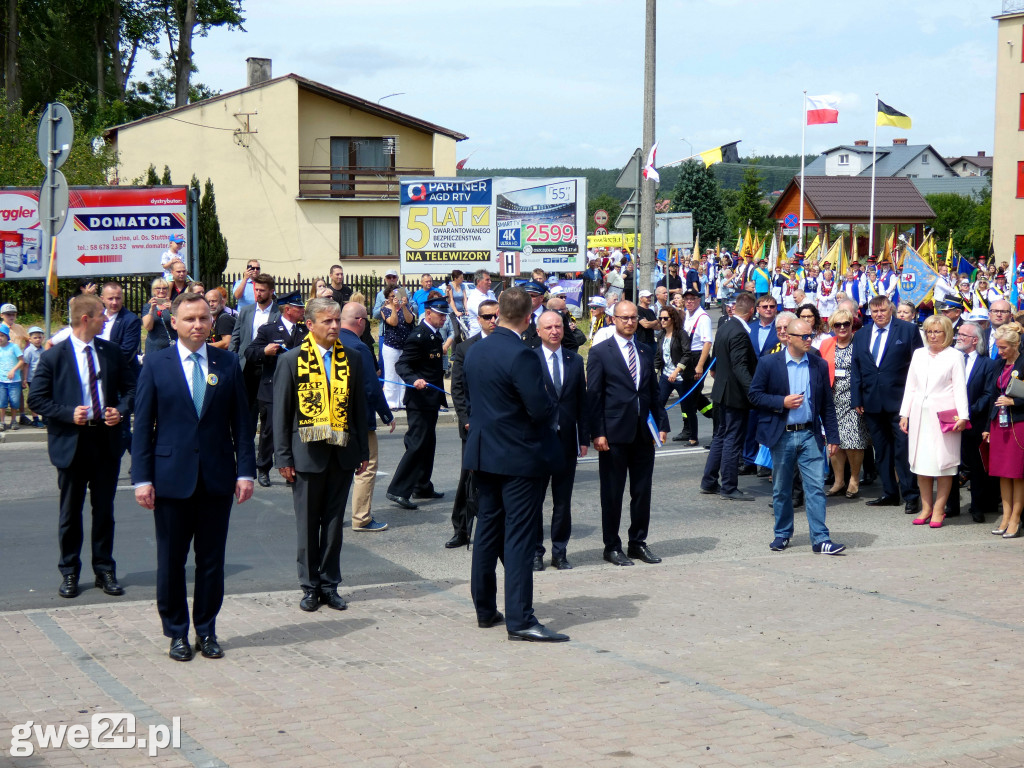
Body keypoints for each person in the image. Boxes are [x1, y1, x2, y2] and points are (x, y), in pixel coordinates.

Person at [131, 292, 255, 661]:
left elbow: (242, 425)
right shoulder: (156, 364)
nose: (198, 325)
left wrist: (245, 471)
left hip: (217, 478)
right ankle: (176, 633)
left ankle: (207, 629)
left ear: (211, 321)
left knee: (211, 560)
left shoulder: (228, 363)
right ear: (175, 322)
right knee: (171, 560)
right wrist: (142, 479)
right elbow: (143, 429)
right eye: (190, 319)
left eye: (203, 318)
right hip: (170, 479)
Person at [463, 286, 565, 642]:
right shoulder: (521, 354)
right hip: (518, 456)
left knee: (487, 533)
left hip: (484, 453)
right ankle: (521, 619)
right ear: (528, 318)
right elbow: (539, 407)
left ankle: (485, 608)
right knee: (519, 539)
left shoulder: (477, 349)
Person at [28, 294, 135, 599]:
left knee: (104, 511)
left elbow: (131, 388)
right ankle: (70, 572)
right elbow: (37, 399)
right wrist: (66, 412)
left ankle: (104, 570)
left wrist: (121, 409)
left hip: (105, 438)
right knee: (70, 513)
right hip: (72, 442)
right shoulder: (54, 356)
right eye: (102, 314)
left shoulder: (111, 351)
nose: (107, 318)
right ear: (86, 318)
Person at [274, 297, 369, 612]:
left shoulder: (351, 358)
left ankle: (330, 585)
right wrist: (283, 458)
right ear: (310, 325)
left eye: (337, 320)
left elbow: (358, 408)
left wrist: (362, 452)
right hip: (306, 455)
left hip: (341, 453)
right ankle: (310, 587)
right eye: (327, 321)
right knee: (307, 524)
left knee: (332, 526)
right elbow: (282, 413)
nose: (334, 326)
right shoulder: (291, 360)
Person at [748, 318, 845, 554]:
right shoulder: (769, 363)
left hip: (810, 435)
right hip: (782, 435)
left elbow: (827, 406)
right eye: (804, 337)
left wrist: (833, 437)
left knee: (815, 488)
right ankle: (782, 533)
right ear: (789, 338)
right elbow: (754, 395)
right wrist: (782, 402)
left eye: (810, 335)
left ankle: (820, 538)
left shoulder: (818, 364)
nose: (809, 340)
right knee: (782, 489)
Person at [587, 300, 669, 566]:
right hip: (613, 434)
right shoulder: (601, 352)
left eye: (634, 317)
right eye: (624, 318)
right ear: (613, 319)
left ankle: (638, 543)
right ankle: (612, 545)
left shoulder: (645, 350)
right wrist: (597, 432)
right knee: (612, 493)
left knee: (642, 491)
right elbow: (594, 396)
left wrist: (662, 423)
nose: (630, 322)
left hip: (643, 433)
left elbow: (653, 392)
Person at [851, 295, 924, 513]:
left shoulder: (907, 330)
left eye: (882, 310)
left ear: (890, 310)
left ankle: (911, 495)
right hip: (871, 402)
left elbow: (918, 366)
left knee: (902, 450)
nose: (879, 314)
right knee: (881, 451)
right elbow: (857, 369)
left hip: (901, 402)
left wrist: (915, 399)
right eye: (874, 311)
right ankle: (889, 493)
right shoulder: (862, 335)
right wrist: (857, 398)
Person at [898, 316, 970, 527]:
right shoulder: (919, 354)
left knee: (944, 465)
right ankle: (926, 507)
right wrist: (905, 414)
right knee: (921, 463)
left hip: (945, 417)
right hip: (920, 414)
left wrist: (964, 416)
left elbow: (959, 388)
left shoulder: (955, 356)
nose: (933, 335)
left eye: (937, 332)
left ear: (947, 333)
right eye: (929, 332)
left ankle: (939, 510)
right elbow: (910, 386)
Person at [533, 310, 589, 571]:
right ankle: (535, 552)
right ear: (538, 331)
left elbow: (581, 402)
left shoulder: (575, 360)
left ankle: (560, 551)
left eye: (558, 326)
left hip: (567, 441)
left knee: (562, 501)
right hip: (538, 443)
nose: (554, 331)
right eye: (549, 327)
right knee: (535, 501)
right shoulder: (529, 359)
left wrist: (584, 438)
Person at [385, 295, 449, 509]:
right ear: (428, 313)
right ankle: (398, 490)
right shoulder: (419, 336)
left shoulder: (434, 335)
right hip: (419, 400)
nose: (443, 319)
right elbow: (402, 365)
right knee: (416, 444)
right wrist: (414, 380)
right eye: (440, 315)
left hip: (431, 399)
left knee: (428, 444)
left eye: (445, 315)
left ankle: (422, 485)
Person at [446, 298, 499, 549]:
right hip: (473, 426)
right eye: (487, 317)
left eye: (496, 316)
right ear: (479, 319)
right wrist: (466, 421)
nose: (492, 321)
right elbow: (457, 389)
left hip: (501, 427)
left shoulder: (507, 343)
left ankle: (498, 527)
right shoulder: (466, 347)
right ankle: (462, 529)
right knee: (468, 478)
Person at [339, 301, 393, 533]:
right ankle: (361, 518)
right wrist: (386, 414)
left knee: (338, 469)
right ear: (360, 322)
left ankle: (330, 514)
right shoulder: (359, 348)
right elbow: (371, 387)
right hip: (359, 420)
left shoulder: (329, 341)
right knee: (366, 467)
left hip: (334, 418)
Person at [244, 291, 308, 488]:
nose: (302, 311)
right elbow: (250, 352)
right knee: (270, 431)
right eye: (299, 308)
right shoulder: (269, 330)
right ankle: (263, 467)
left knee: (296, 429)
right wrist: (264, 351)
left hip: (298, 389)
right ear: (287, 310)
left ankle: (292, 468)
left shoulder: (305, 331)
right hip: (272, 388)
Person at [702, 292, 758, 500]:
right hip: (734, 394)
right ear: (751, 311)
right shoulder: (739, 333)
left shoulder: (725, 326)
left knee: (721, 437)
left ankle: (709, 481)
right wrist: (753, 391)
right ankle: (729, 486)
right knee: (733, 440)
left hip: (721, 391)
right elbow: (740, 366)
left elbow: (718, 357)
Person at [951, 321, 998, 523]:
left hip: (974, 424)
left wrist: (966, 414)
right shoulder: (951, 358)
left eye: (963, 334)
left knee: (977, 469)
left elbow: (988, 394)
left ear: (975, 340)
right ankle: (951, 506)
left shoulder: (987, 364)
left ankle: (977, 507)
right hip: (949, 423)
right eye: (958, 333)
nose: (958, 337)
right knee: (951, 466)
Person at [819, 308, 869, 499]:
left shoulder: (859, 344)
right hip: (832, 398)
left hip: (853, 399)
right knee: (834, 441)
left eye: (845, 324)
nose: (841, 328)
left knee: (854, 441)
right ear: (832, 326)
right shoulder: (826, 344)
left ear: (851, 325)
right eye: (837, 324)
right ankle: (839, 480)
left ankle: (854, 479)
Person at [983, 322, 1024, 538]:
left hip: (1019, 423)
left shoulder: (1023, 363)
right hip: (999, 424)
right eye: (998, 347)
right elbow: (992, 396)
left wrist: (1014, 403)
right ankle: (1006, 516)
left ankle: (1016, 518)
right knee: (1003, 473)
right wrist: (987, 427)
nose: (1000, 352)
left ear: (1015, 345)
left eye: (1004, 348)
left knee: (1017, 473)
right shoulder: (998, 365)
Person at [229, 273, 279, 434]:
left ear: (271, 291)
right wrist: (233, 359)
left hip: (269, 366)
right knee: (247, 409)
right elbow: (236, 337)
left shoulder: (279, 313)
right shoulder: (246, 311)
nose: (258, 293)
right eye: (256, 290)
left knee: (266, 409)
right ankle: (246, 446)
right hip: (247, 366)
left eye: (262, 290)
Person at [679, 289, 713, 443]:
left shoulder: (703, 317)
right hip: (688, 358)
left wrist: (700, 366)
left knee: (691, 398)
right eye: (687, 299)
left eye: (692, 299)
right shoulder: (688, 315)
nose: (689, 302)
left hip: (698, 358)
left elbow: (707, 343)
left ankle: (693, 436)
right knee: (694, 397)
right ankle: (718, 418)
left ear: (699, 300)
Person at [378, 284, 416, 411]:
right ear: (388, 298)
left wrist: (404, 306)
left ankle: (403, 401)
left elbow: (410, 320)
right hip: (391, 345)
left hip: (405, 346)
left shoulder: (407, 307)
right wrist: (394, 308)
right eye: (392, 296)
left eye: (397, 296)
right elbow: (393, 322)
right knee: (391, 373)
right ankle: (391, 402)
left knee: (404, 373)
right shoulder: (385, 309)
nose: (395, 298)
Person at [100, 282, 142, 373]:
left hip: (120, 374)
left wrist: (102, 365)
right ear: (102, 299)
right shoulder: (96, 317)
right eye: (110, 299)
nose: (114, 302)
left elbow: (126, 352)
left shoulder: (131, 320)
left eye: (118, 298)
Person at [0, 323, 25, 430]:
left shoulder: (14, 347)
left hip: (14, 381)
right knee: (2, 402)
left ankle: (14, 420)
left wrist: (13, 370)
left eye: (2, 335)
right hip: (1, 380)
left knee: (14, 402)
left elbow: (21, 361)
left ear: (7, 336)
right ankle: (2, 422)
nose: (0, 338)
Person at [142, 277, 175, 356]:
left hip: (172, 346)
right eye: (158, 288)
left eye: (164, 288)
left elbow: (180, 324)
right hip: (154, 347)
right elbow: (148, 327)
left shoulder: (174, 305)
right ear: (153, 290)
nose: (161, 291)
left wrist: (172, 310)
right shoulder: (148, 306)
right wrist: (152, 309)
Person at [22, 326, 44, 427]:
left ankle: (45, 417)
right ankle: (35, 418)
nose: (38, 339)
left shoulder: (44, 350)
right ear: (30, 339)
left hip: (43, 378)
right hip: (32, 378)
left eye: (40, 337)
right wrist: (25, 379)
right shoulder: (29, 351)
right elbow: (26, 366)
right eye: (35, 337)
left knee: (44, 397)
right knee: (34, 398)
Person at [463, 269, 496, 337]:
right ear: (478, 281)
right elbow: (486, 314)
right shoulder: (474, 298)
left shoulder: (491, 294)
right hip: (478, 337)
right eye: (487, 280)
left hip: (492, 335)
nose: (490, 282)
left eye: (490, 280)